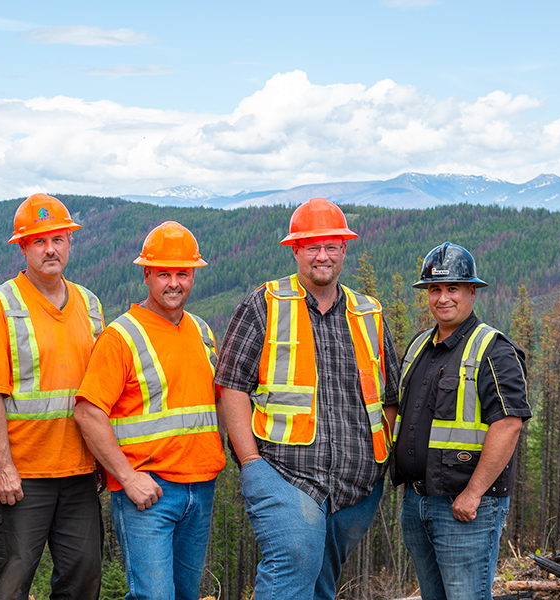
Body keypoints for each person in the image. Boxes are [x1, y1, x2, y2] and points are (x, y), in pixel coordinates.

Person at [214, 197, 400, 599]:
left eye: (331, 246)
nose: (322, 256)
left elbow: (389, 396)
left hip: (356, 485)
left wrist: (379, 465)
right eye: (312, 246)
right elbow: (231, 385)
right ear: (295, 250)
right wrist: (250, 463)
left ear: (343, 250)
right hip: (284, 472)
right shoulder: (265, 304)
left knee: (319, 581)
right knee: (294, 561)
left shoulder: (369, 313)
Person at [74, 221, 225, 599]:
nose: (174, 283)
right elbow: (88, 413)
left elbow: (218, 405)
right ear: (147, 275)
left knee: (186, 594)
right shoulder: (121, 337)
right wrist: (127, 477)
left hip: (201, 488)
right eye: (163, 274)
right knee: (154, 595)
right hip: (149, 492)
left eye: (182, 274)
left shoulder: (202, 331)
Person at [0, 193, 104, 599]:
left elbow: (98, 393)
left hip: (78, 472)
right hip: (19, 475)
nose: (50, 249)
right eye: (38, 241)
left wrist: (102, 458)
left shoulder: (89, 304)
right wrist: (4, 467)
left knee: (83, 578)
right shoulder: (0, 305)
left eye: (58, 239)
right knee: (8, 584)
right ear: (23, 247)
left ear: (70, 243)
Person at [393, 242, 530, 600]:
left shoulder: (493, 349)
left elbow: (509, 424)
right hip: (417, 501)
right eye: (435, 289)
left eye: (453, 288)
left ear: (472, 291)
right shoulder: (419, 345)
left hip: (465, 508)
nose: (442, 298)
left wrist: (472, 494)